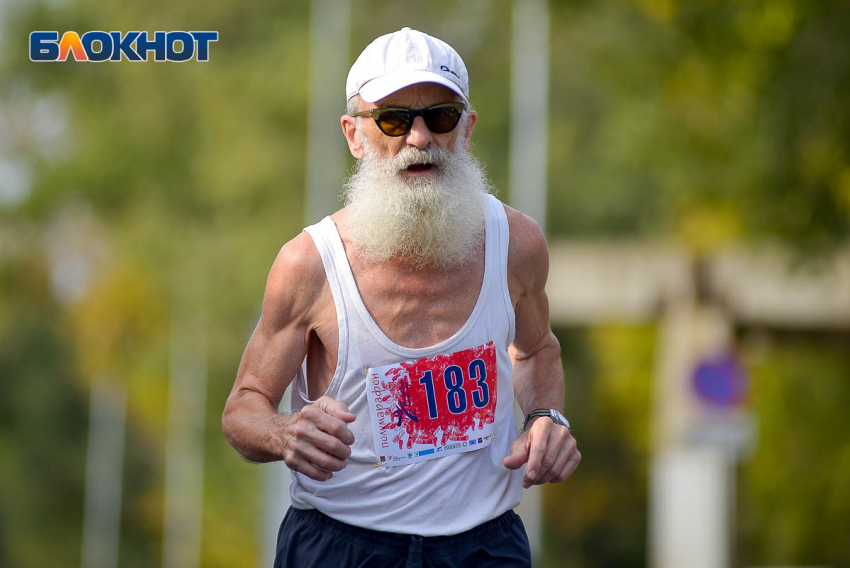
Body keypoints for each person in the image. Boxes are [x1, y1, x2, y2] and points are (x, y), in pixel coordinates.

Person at [222, 27, 580, 567]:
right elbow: (241, 411)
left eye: (440, 116)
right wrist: (283, 431)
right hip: (341, 545)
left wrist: (546, 416)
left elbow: (536, 350)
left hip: (485, 545)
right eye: (392, 119)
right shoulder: (311, 263)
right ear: (354, 134)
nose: (418, 139)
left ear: (466, 128)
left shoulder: (517, 244)